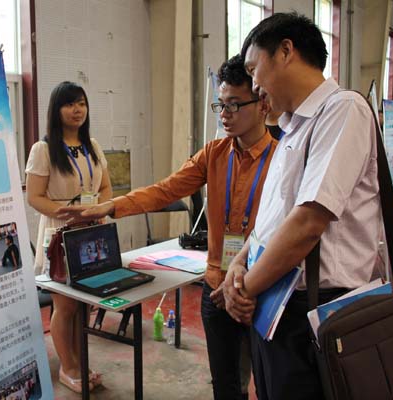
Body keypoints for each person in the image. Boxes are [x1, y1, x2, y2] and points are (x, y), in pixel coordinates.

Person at [58, 55, 277, 400]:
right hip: (216, 290)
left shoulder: (282, 158)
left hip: (259, 293)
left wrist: (250, 285)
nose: (224, 114)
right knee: (225, 385)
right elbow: (166, 190)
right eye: (220, 105)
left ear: (262, 104)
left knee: (264, 382)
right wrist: (110, 206)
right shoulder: (214, 153)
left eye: (234, 105)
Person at [223, 12, 384, 400]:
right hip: (276, 302)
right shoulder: (292, 127)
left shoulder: (342, 110)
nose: (254, 85)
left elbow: (309, 222)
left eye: (254, 69)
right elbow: (274, 219)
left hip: (317, 308)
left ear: (285, 51)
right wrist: (239, 263)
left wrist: (244, 289)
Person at [25, 81, 112, 393]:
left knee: (84, 303)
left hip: (91, 232)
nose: (77, 110)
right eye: (70, 104)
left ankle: (80, 361)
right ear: (56, 109)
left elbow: (105, 187)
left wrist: (98, 209)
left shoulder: (93, 146)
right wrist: (69, 213)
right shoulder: (44, 149)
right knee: (65, 306)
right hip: (60, 234)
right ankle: (68, 367)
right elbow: (34, 197)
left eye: (82, 104)